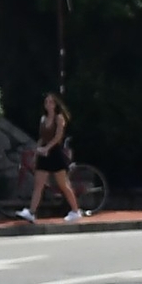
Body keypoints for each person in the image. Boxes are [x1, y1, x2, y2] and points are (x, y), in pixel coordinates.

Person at [18, 93, 82, 223]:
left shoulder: (59, 118)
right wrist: (37, 153)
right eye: (46, 102)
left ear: (56, 104)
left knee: (63, 184)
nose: (48, 104)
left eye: (51, 102)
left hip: (55, 154)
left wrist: (47, 148)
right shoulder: (43, 119)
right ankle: (31, 212)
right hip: (43, 154)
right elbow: (41, 138)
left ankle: (76, 211)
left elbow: (58, 137)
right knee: (38, 184)